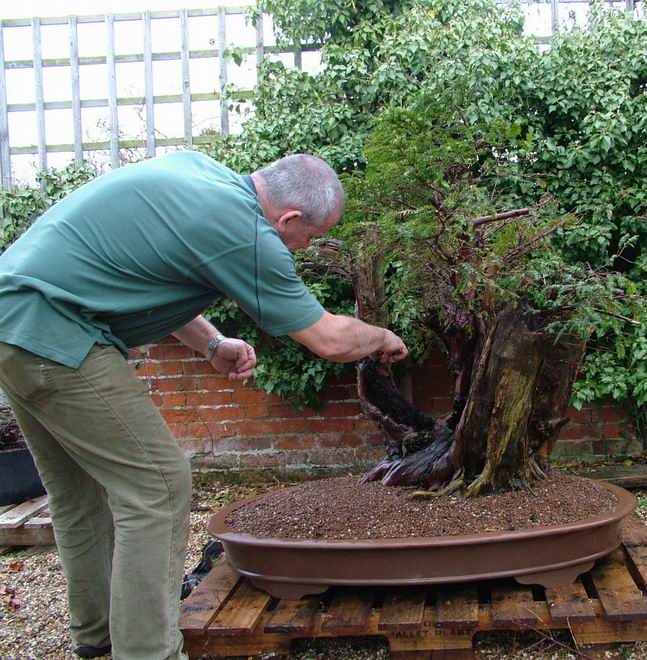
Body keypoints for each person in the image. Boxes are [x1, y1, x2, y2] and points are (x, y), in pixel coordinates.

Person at [0, 151, 407, 660]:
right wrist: (382, 336)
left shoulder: (202, 176)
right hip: (59, 335)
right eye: (311, 236)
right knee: (158, 484)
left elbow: (143, 274)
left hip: (12, 323)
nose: (306, 248)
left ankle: (99, 632)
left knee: (78, 493)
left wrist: (213, 344)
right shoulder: (246, 231)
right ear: (290, 218)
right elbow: (326, 338)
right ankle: (148, 651)